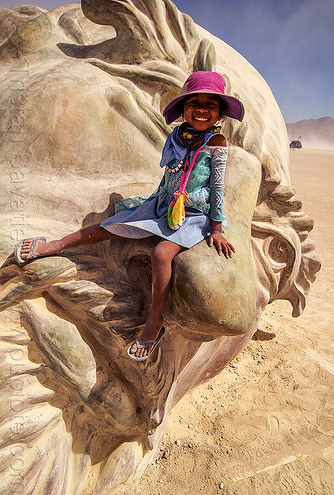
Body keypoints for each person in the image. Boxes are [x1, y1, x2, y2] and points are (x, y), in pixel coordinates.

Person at [14, 71, 244, 361]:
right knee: (111, 225)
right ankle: (52, 246)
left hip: (193, 215)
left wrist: (217, 228)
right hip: (162, 205)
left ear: (220, 113)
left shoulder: (217, 142)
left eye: (210, 105)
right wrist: (150, 204)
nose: (200, 110)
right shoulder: (177, 136)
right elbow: (168, 176)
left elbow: (216, 187)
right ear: (184, 109)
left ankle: (155, 321)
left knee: (162, 253)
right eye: (193, 103)